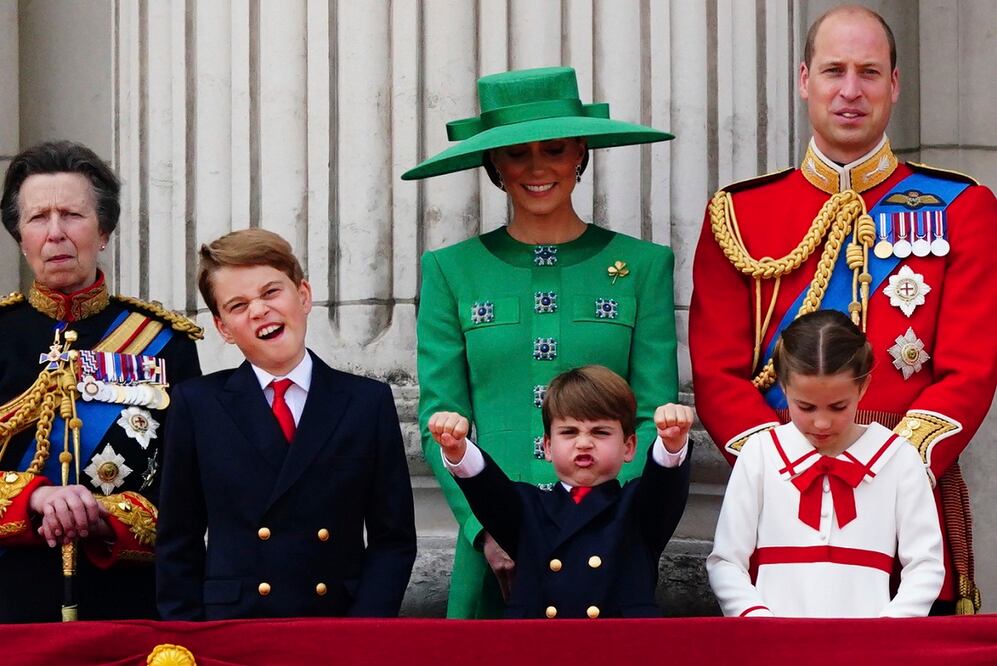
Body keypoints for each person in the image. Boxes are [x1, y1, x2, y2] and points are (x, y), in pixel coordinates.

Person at [689, 4, 997, 614]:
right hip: (777, 497)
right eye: (834, 71)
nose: (850, 91)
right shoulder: (740, 214)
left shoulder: (962, 207)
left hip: (907, 494)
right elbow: (716, 371)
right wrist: (783, 464)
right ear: (804, 79)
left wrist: (889, 468)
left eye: (869, 72)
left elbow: (971, 368)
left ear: (895, 84)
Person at [404, 66, 679, 618]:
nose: (536, 168)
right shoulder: (450, 271)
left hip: (611, 547)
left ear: (580, 153)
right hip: (492, 548)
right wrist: (486, 529)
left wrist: (611, 519)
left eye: (554, 150)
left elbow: (651, 415)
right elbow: (441, 420)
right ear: (492, 166)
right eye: (515, 154)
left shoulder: (645, 267)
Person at [156, 229, 416, 620]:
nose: (259, 310)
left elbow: (392, 539)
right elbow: (178, 540)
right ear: (224, 328)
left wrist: (364, 632)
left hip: (336, 625)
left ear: (304, 295)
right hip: (233, 629)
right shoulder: (197, 405)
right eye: (238, 305)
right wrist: (188, 638)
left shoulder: (366, 402)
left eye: (271, 292)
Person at [0, 140, 203, 622]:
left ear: (104, 230)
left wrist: (106, 516)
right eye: (37, 218)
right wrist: (36, 499)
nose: (55, 234)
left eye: (71, 215)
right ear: (20, 236)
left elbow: (189, 489)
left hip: (127, 602)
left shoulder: (164, 341)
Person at [707, 310, 944, 617]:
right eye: (805, 406)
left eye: (838, 406)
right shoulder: (761, 453)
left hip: (868, 647)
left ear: (863, 386)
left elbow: (925, 564)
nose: (821, 422)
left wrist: (888, 631)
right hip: (773, 645)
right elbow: (726, 560)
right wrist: (756, 619)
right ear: (783, 387)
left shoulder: (898, 457)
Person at [429, 365, 692, 618]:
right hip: (539, 651)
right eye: (569, 432)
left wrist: (672, 442)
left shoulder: (638, 508)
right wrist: (457, 449)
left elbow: (664, 485)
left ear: (629, 446)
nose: (584, 443)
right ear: (547, 446)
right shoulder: (527, 508)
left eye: (600, 432)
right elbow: (488, 489)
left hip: (619, 650)